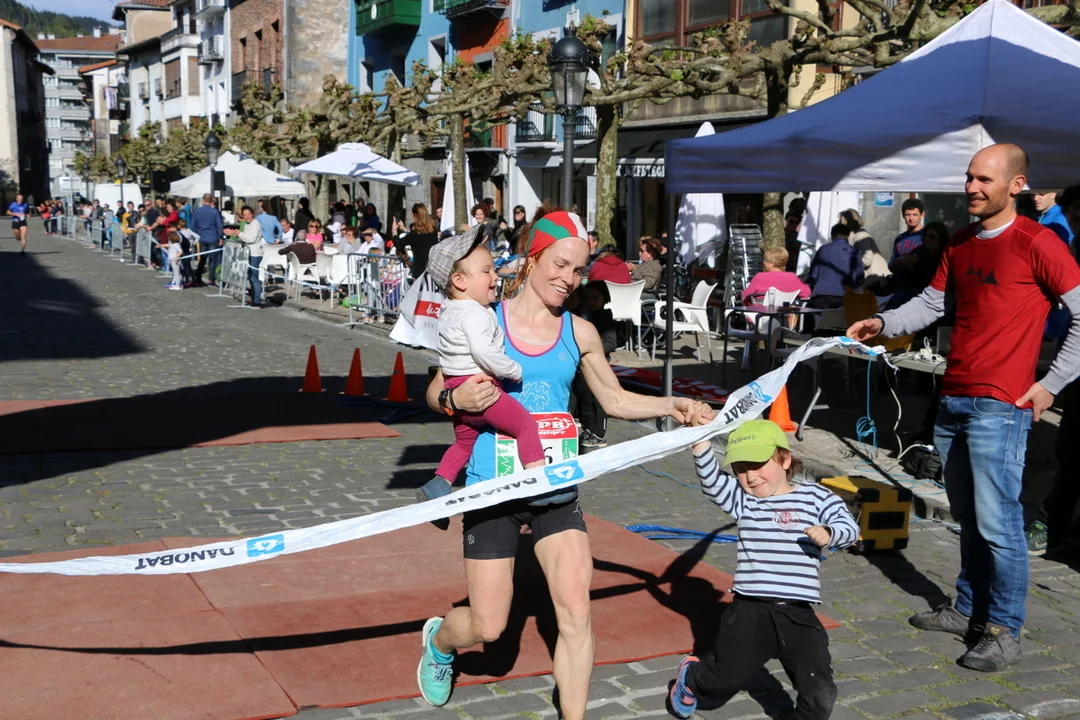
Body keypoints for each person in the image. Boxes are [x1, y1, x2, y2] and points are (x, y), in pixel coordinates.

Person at [417, 208, 713, 719]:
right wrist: (454, 401)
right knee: (488, 627)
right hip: (493, 489)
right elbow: (435, 390)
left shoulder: (580, 332)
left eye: (578, 270)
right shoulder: (483, 316)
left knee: (576, 613)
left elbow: (614, 401)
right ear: (532, 260)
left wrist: (672, 405)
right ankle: (441, 641)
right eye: (560, 264)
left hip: (555, 486)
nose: (569, 278)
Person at [847, 144, 1080, 672]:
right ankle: (968, 609)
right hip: (952, 398)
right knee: (969, 518)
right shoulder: (960, 241)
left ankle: (1003, 629)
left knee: (1000, 524)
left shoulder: (1039, 242)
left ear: (1016, 186)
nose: (971, 187)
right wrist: (884, 323)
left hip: (1001, 404)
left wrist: (1050, 385)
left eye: (984, 180)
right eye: (969, 177)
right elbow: (933, 303)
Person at [668, 419, 857, 720]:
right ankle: (691, 677)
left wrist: (830, 532)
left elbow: (849, 527)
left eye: (758, 465)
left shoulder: (817, 496)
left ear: (785, 459)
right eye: (740, 469)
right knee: (725, 678)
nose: (750, 476)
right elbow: (713, 483)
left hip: (797, 614)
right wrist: (701, 443)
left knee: (820, 692)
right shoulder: (744, 501)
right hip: (749, 611)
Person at [412, 228, 548, 521]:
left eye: (494, 269)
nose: (495, 276)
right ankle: (539, 484)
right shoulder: (475, 312)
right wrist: (513, 370)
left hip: (457, 387)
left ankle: (438, 484)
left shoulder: (448, 311)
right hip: (482, 389)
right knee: (525, 425)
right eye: (487, 271)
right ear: (460, 281)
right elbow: (484, 352)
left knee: (463, 444)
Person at [807, 223, 863, 310]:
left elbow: (813, 275)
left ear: (832, 235)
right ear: (847, 235)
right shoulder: (855, 252)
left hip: (822, 295)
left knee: (822, 319)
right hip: (846, 296)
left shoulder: (823, 249)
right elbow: (859, 277)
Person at [224, 206, 266, 308]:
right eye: (245, 215)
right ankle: (253, 298)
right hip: (248, 253)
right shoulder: (247, 224)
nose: (247, 216)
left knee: (254, 277)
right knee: (250, 277)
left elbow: (251, 239)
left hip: (255, 254)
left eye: (249, 214)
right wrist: (235, 234)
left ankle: (257, 301)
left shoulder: (256, 223)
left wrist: (239, 233)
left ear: (252, 214)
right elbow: (245, 238)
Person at [741, 247, 811, 304]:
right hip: (785, 315)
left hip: (760, 315)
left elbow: (745, 297)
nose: (763, 262)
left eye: (765, 260)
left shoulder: (759, 277)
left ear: (772, 263)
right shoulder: (792, 277)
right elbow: (807, 293)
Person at [888, 198, 927, 299]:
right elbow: (891, 264)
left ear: (922, 215)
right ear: (903, 216)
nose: (911, 218)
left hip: (920, 290)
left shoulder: (928, 236)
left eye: (915, 215)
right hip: (900, 288)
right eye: (907, 215)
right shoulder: (899, 238)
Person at [192, 194, 224, 287]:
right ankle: (211, 279)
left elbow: (193, 225)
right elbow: (219, 226)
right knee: (213, 259)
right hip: (213, 237)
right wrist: (220, 237)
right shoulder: (215, 212)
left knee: (202, 259)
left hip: (202, 237)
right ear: (211, 201)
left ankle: (198, 278)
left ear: (203, 200)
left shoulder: (197, 211)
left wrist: (197, 235)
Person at [400, 203, 439, 278]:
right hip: (432, 270)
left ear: (415, 216)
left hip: (419, 272)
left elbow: (399, 243)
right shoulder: (433, 230)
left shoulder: (415, 234)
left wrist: (394, 232)